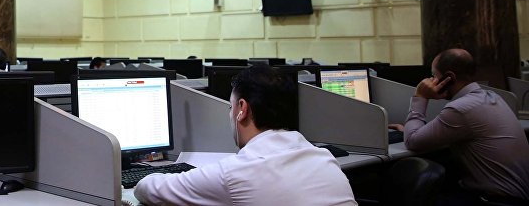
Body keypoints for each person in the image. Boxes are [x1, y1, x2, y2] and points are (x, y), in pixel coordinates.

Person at [134, 65, 356, 206]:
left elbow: (147, 189)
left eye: (230, 107)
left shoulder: (236, 173)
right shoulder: (324, 158)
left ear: (242, 109)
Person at [401, 48, 529, 204]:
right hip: (516, 196)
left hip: (494, 200)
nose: (432, 81)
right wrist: (415, 129)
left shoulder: (461, 109)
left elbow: (412, 141)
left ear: (449, 78)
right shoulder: (492, 97)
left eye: (434, 76)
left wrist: (420, 96)